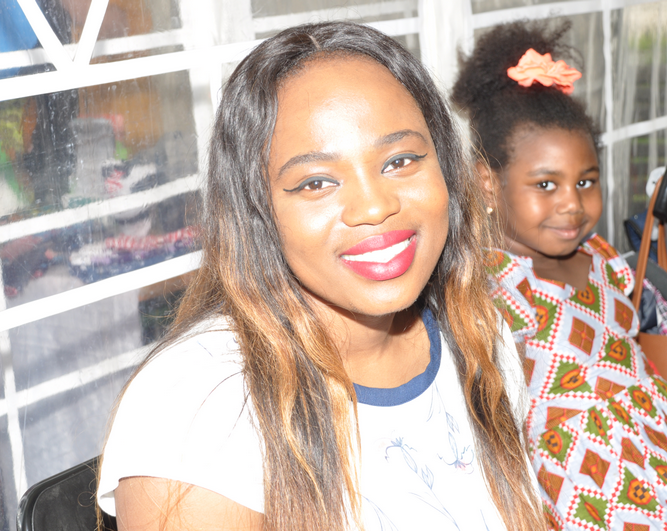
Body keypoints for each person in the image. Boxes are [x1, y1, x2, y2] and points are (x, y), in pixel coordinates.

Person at [96, 21, 543, 531]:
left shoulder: (479, 337)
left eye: (400, 160)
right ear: (256, 212)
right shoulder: (200, 408)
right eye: (315, 183)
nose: (374, 206)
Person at [452, 19, 667, 530]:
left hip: (666, 437)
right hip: (588, 478)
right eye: (546, 184)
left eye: (586, 181)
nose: (572, 203)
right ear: (487, 182)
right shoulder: (496, 287)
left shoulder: (602, 255)